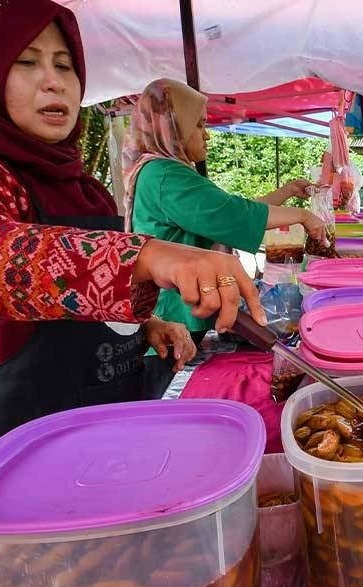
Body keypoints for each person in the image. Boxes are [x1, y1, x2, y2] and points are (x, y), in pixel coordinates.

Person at [0, 4, 266, 587]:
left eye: (66, 65)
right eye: (27, 64)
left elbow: (84, 306)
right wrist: (148, 257)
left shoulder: (75, 177)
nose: (55, 84)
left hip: (96, 438)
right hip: (9, 449)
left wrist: (148, 323)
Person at [121, 78, 327, 396]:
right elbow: (232, 216)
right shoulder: (165, 175)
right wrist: (303, 216)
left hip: (183, 315)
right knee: (166, 396)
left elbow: (227, 213)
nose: (206, 135)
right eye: (199, 125)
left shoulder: (163, 171)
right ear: (171, 127)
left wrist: (287, 193)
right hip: (172, 319)